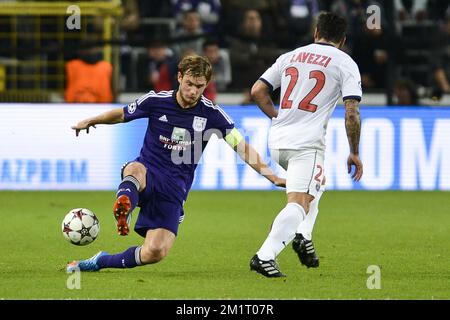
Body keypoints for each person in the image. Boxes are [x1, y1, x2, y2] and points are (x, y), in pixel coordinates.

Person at [67, 55, 285, 272]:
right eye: (189, 84)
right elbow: (122, 114)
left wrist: (271, 175)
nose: (193, 91)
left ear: (206, 85)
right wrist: (92, 120)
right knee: (135, 169)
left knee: (154, 252)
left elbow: (242, 147)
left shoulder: (212, 114)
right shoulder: (156, 100)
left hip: (174, 189)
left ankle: (100, 261)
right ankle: (125, 205)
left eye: (199, 86)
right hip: (148, 172)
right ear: (179, 78)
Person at [249, 12, 363, 277]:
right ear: (342, 40)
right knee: (299, 202)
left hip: (277, 140)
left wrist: (278, 117)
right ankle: (265, 256)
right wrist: (354, 152)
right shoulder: (345, 62)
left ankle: (303, 234)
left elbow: (257, 90)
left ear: (315, 33)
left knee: (318, 183)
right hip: (306, 143)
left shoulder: (290, 56)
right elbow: (351, 112)